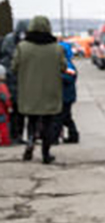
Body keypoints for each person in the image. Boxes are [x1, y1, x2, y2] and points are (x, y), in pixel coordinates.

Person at [12, 15, 66, 164]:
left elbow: (14, 67)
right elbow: (63, 67)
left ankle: (30, 140)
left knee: (31, 119)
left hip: (29, 90)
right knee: (48, 123)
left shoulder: (22, 47)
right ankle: (45, 153)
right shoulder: (57, 48)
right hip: (50, 90)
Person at [57, 39, 79, 144]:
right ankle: (72, 135)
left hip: (66, 96)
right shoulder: (65, 63)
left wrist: (58, 76)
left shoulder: (68, 65)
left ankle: (73, 135)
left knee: (63, 117)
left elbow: (70, 78)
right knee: (65, 117)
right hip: (65, 95)